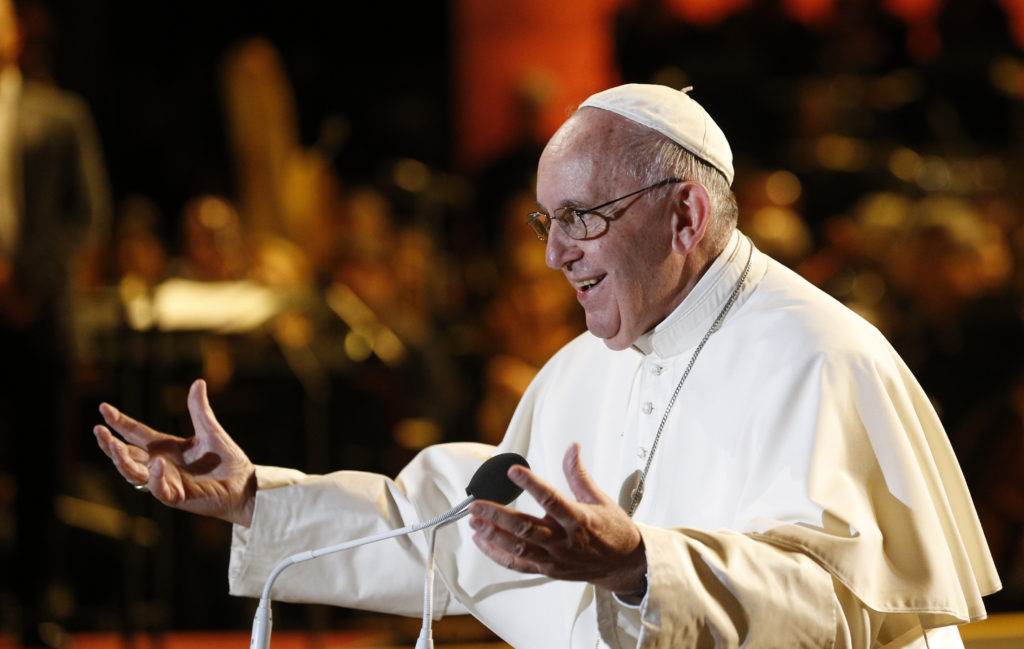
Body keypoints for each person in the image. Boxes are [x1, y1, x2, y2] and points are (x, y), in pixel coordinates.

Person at [93, 84, 999, 648]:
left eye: (581, 218)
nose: (555, 253)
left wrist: (641, 565)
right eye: (546, 221)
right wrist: (255, 497)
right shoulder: (581, 365)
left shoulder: (821, 355)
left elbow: (844, 614)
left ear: (685, 217)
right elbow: (451, 525)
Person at [0, 0, 111, 646]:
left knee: (43, 469)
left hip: (40, 317)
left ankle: (38, 603)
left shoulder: (59, 114)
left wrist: (28, 281)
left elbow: (85, 212)